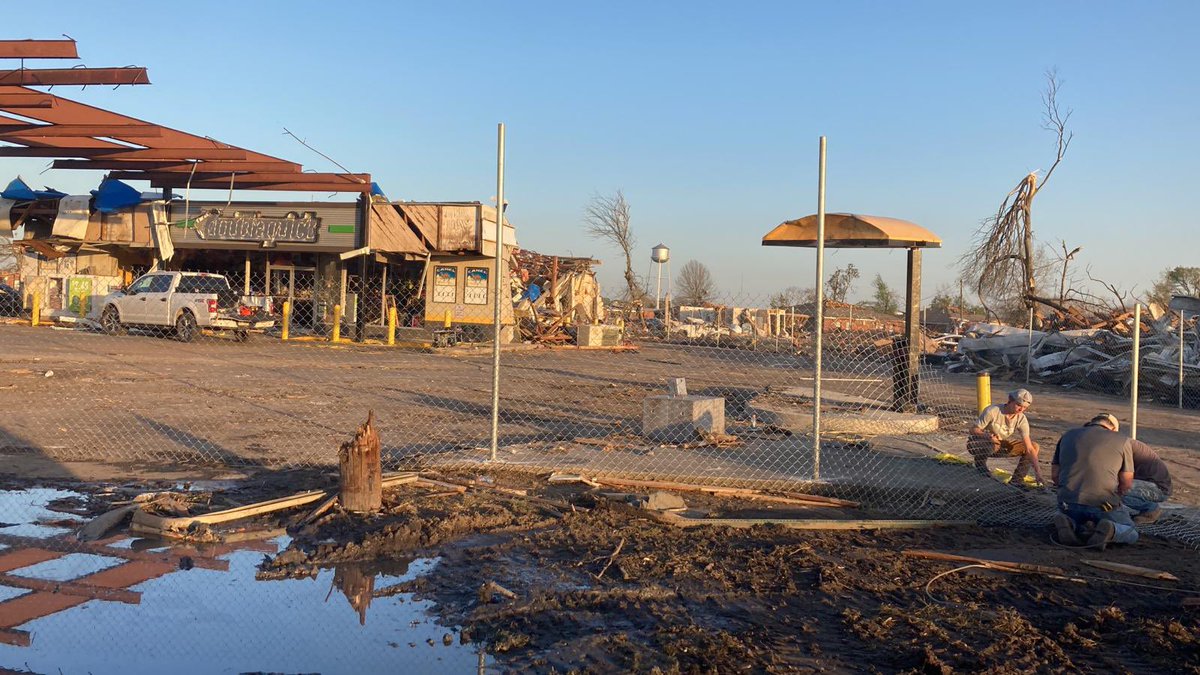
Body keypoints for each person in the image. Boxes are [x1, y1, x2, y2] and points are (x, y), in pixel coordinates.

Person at [1051, 413, 1138, 550]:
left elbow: (1055, 475)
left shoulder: (1067, 435)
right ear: (1113, 428)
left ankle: (1071, 524)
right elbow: (1126, 483)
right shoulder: (1122, 440)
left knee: (1073, 515)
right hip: (1103, 504)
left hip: (1068, 502)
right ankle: (1112, 530)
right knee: (1131, 532)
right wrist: (1117, 498)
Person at [1086, 414, 1171, 524]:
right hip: (1147, 482)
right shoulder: (1114, 442)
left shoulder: (1118, 445)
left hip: (1158, 488)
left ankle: (1151, 509)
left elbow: (1122, 477)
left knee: (1113, 490)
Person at [967, 388, 1045, 487]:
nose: (1021, 409)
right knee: (992, 443)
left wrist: (1038, 472)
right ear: (1009, 400)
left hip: (999, 445)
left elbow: (1029, 448)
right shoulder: (993, 411)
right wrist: (987, 435)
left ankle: (1017, 481)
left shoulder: (1021, 419)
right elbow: (973, 430)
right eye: (1018, 405)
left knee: (1034, 447)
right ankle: (980, 464)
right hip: (978, 444)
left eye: (1024, 408)